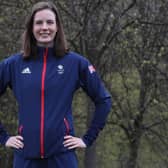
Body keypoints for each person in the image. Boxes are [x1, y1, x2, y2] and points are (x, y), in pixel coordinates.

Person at [0, 1, 112, 168]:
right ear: (31, 27)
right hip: (26, 158)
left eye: (50, 22)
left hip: (62, 158)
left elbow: (104, 100)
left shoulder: (76, 63)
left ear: (57, 27)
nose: (44, 27)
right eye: (39, 23)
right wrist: (3, 137)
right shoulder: (13, 65)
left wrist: (87, 139)